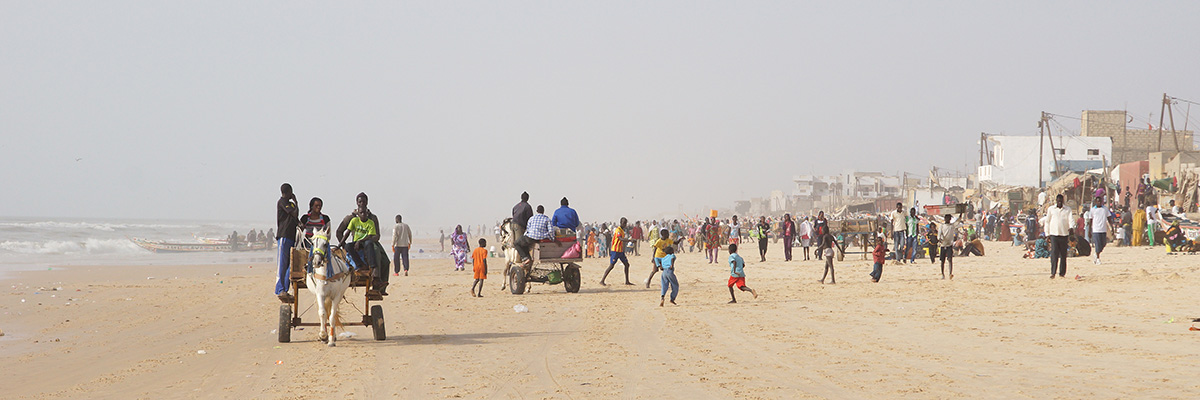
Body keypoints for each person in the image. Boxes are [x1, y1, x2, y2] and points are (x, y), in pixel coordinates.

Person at [337, 193, 388, 295]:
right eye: (360, 202)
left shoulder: (372, 218)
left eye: (364, 202)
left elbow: (377, 236)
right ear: (357, 203)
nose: (362, 203)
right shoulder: (351, 218)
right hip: (356, 244)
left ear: (367, 202)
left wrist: (366, 240)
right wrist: (344, 247)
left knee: (384, 259)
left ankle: (378, 285)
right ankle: (369, 272)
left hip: (370, 242)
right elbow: (339, 232)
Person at [1040, 194, 1075, 279]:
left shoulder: (1067, 210)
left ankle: (1062, 273)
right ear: (1056, 201)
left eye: (1061, 201)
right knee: (1054, 254)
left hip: (1064, 235)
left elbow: (1071, 220)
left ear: (1063, 201)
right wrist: (1047, 234)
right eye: (1058, 201)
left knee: (1063, 255)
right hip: (1054, 235)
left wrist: (1071, 227)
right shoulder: (1051, 209)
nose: (1059, 202)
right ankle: (1053, 272)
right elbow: (1047, 222)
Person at [274, 183, 300, 302]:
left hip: (291, 236)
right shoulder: (282, 202)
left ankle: (285, 288)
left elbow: (295, 217)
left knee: (291, 264)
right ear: (288, 192)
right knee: (282, 263)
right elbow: (293, 213)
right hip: (283, 235)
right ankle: (280, 289)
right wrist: (296, 202)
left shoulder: (290, 204)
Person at [600, 217, 633, 286]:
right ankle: (602, 280)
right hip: (615, 250)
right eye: (624, 223)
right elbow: (620, 239)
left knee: (627, 264)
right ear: (621, 223)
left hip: (620, 251)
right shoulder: (618, 230)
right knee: (611, 266)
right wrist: (630, 240)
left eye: (625, 223)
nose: (625, 224)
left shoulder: (622, 230)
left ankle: (627, 281)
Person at [1086, 197, 1112, 264]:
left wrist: (1112, 227)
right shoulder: (1092, 210)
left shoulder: (1105, 209)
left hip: (1103, 229)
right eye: (1098, 202)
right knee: (1097, 244)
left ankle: (1096, 253)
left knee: (1103, 244)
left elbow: (1109, 218)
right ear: (1096, 202)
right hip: (1096, 230)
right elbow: (1090, 220)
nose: (1099, 203)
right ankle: (1097, 258)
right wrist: (1089, 230)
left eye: (1100, 201)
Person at [934, 214, 959, 279]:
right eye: (947, 218)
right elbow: (939, 235)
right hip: (943, 245)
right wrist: (940, 239)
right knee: (942, 261)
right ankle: (942, 274)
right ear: (945, 219)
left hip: (949, 245)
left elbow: (958, 221)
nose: (948, 220)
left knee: (950, 259)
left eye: (949, 218)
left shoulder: (952, 226)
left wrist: (961, 214)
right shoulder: (942, 226)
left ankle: (950, 273)